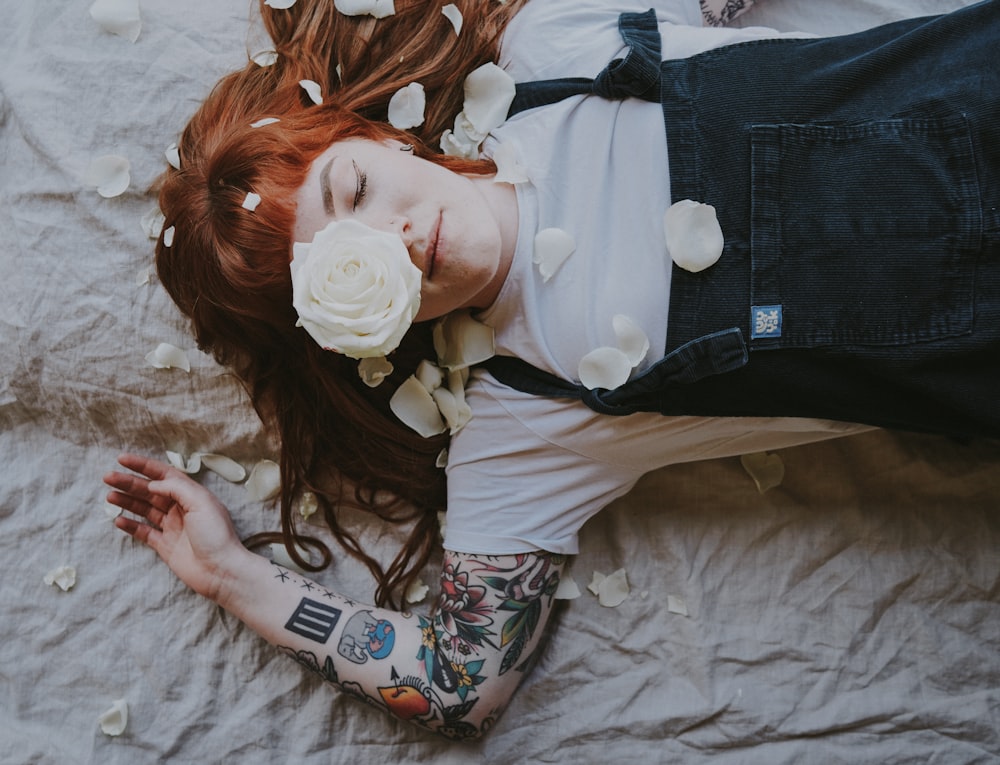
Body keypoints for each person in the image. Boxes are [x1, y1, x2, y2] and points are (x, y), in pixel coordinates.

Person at [105, 0, 1000, 740]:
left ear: (381, 138)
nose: (401, 239)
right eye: (344, 263)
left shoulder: (555, 47)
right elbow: (456, 683)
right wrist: (234, 576)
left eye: (357, 190)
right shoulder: (520, 424)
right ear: (344, 335)